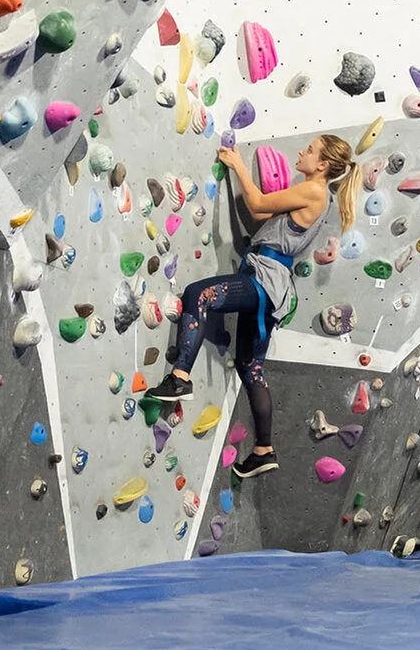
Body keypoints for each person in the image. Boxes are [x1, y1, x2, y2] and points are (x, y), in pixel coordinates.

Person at [145, 135, 356, 476]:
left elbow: (257, 205)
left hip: (264, 280)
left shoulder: (315, 190)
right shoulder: (324, 198)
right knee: (250, 366)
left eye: (311, 150)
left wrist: (238, 165)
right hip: (273, 285)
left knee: (199, 294)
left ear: (322, 166)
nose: (302, 152)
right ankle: (263, 449)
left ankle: (180, 376)